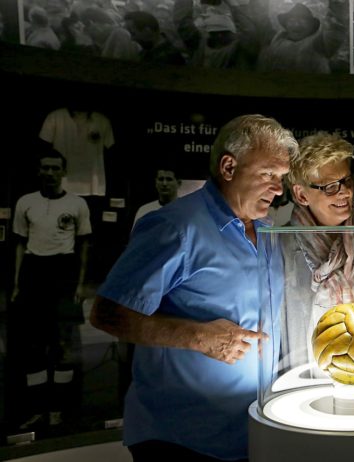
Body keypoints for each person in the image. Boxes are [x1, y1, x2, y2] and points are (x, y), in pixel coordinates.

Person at [89, 114, 297, 461]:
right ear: (229, 167)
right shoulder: (175, 227)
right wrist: (199, 337)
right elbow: (108, 313)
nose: (278, 189)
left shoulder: (266, 229)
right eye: (268, 175)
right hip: (181, 438)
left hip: (247, 431)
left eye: (281, 178)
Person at [279, 131, 354, 374]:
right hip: (304, 375)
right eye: (330, 187)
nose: (345, 193)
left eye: (347, 181)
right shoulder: (280, 244)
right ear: (301, 194)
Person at [11, 150, 91, 429]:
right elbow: (20, 244)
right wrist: (17, 283)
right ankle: (36, 408)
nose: (49, 173)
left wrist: (79, 284)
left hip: (63, 273)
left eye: (55, 168)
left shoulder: (77, 204)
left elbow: (83, 247)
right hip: (34, 273)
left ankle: (59, 408)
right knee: (33, 345)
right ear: (38, 170)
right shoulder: (25, 202)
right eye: (45, 168)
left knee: (63, 345)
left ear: (63, 172)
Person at [256, 0, 348, 73]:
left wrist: (338, 3)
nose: (296, 24)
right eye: (291, 20)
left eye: (303, 20)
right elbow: (261, 20)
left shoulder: (319, 44)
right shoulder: (275, 39)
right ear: (285, 24)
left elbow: (336, 24)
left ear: (312, 25)